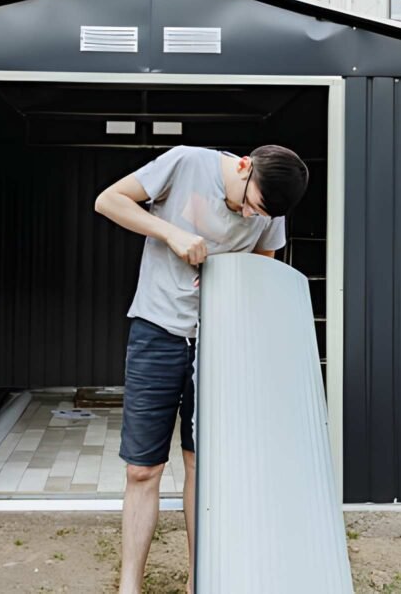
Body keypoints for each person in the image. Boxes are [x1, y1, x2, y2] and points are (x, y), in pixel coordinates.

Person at [94, 144, 310, 594]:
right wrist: (170, 233)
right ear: (244, 167)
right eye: (251, 204)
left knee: (202, 464)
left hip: (219, 340)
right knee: (142, 469)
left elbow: (260, 270)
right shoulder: (186, 162)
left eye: (261, 215)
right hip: (157, 329)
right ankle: (129, 585)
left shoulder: (268, 209)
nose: (251, 217)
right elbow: (108, 200)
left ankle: (201, 581)